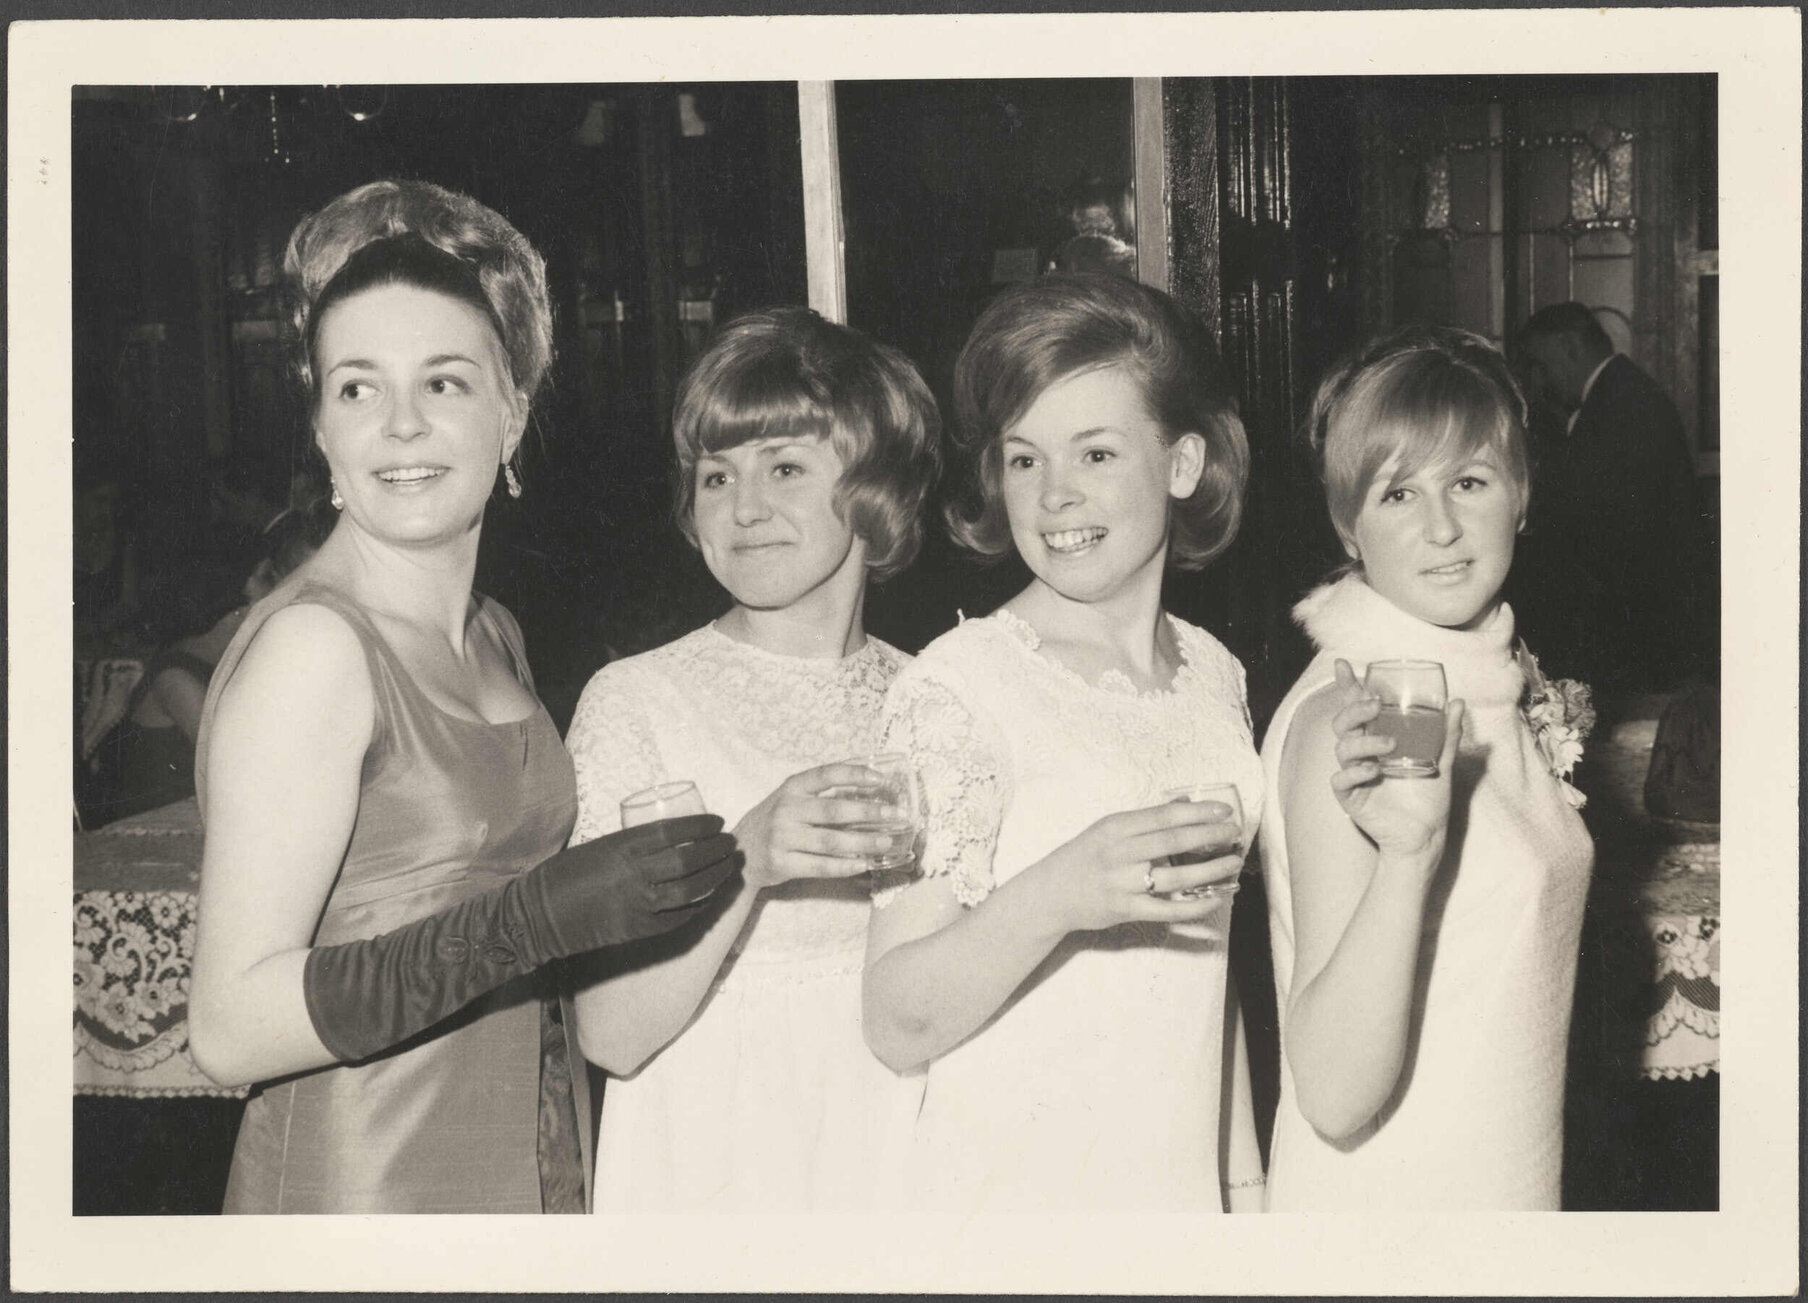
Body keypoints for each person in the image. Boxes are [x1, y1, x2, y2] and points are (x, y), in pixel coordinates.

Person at [188, 179, 741, 1215]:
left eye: (443, 383)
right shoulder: (316, 648)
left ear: (511, 412)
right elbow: (226, 1028)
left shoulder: (492, 631)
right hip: (367, 1189)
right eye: (357, 388)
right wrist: (535, 918)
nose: (400, 425)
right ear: (319, 429)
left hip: (523, 1160)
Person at [863, 274, 1266, 1212]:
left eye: (1095, 452)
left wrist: (1242, 1189)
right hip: (1013, 1212)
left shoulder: (1216, 675)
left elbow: (1210, 969)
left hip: (1170, 1200)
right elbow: (893, 1018)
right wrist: (1057, 893)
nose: (1053, 497)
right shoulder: (957, 687)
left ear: (1181, 463)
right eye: (1024, 459)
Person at [565, 307, 941, 1211]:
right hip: (712, 1154)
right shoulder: (636, 702)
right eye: (715, 476)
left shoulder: (941, 696)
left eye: (783, 467)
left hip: (900, 1141)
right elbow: (609, 1033)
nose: (744, 507)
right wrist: (750, 859)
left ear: (876, 489)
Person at [1259, 325, 1596, 1210]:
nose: (1442, 526)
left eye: (1470, 481)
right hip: (1400, 1218)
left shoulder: (1487, 669)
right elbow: (1333, 1092)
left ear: (1520, 494)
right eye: (1398, 491)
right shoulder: (1359, 718)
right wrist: (1409, 861)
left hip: (1503, 1190)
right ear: (1349, 524)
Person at [85, 500, 338, 825]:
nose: (279, 588)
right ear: (237, 595)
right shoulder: (176, 676)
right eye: (267, 577)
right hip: (155, 840)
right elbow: (244, 766)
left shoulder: (234, 658)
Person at [1508, 302, 1704, 693]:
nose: (1540, 380)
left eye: (1541, 365)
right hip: (1638, 616)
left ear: (1569, 347)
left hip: (1635, 625)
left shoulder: (1622, 405)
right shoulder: (1621, 394)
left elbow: (1606, 530)